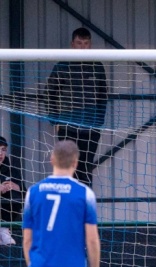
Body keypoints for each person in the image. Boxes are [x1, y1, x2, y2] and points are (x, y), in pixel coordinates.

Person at [44, 27, 108, 187]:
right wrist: (55, 120)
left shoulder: (97, 66)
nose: (83, 47)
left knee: (85, 169)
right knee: (67, 167)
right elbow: (48, 93)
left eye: (86, 43)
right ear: (72, 44)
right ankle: (67, 205)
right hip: (68, 126)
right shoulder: (62, 66)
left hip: (90, 128)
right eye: (79, 43)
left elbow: (103, 95)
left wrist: (98, 121)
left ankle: (84, 205)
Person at [0, 136, 24, 245]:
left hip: (9, 214)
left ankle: (4, 229)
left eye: (3, 150)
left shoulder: (12, 171)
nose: (0, 153)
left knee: (15, 193)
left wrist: (17, 187)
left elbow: (25, 193)